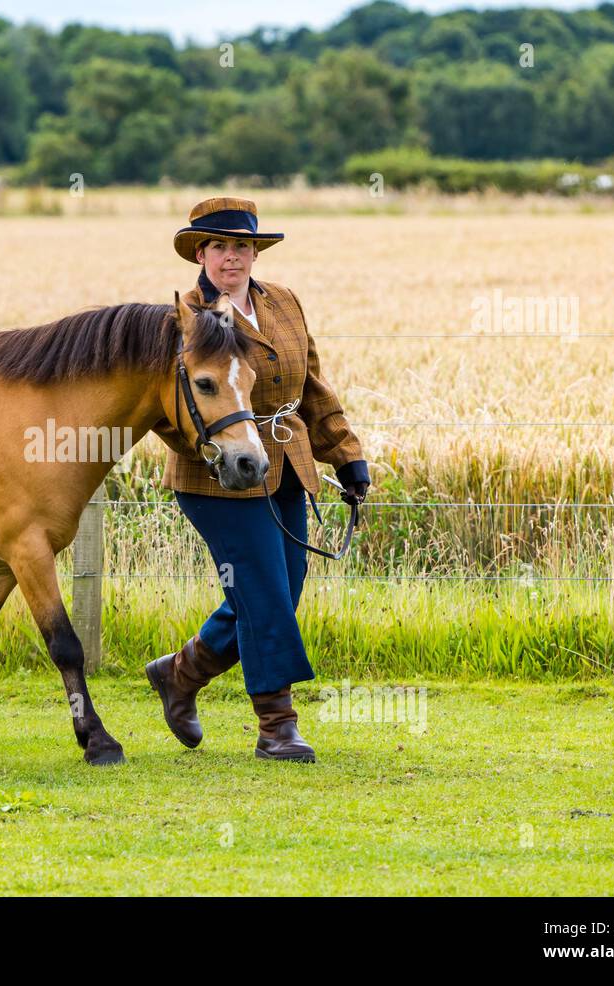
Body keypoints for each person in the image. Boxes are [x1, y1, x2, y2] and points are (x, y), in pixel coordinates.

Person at [148, 197, 371, 762]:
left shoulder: (285, 302)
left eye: (242, 246)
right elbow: (169, 410)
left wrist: (345, 454)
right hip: (216, 476)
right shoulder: (188, 318)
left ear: (255, 252)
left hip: (285, 461)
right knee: (264, 588)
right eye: (219, 246)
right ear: (200, 253)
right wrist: (215, 451)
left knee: (283, 584)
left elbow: (312, 386)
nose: (232, 257)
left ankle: (182, 672)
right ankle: (278, 725)